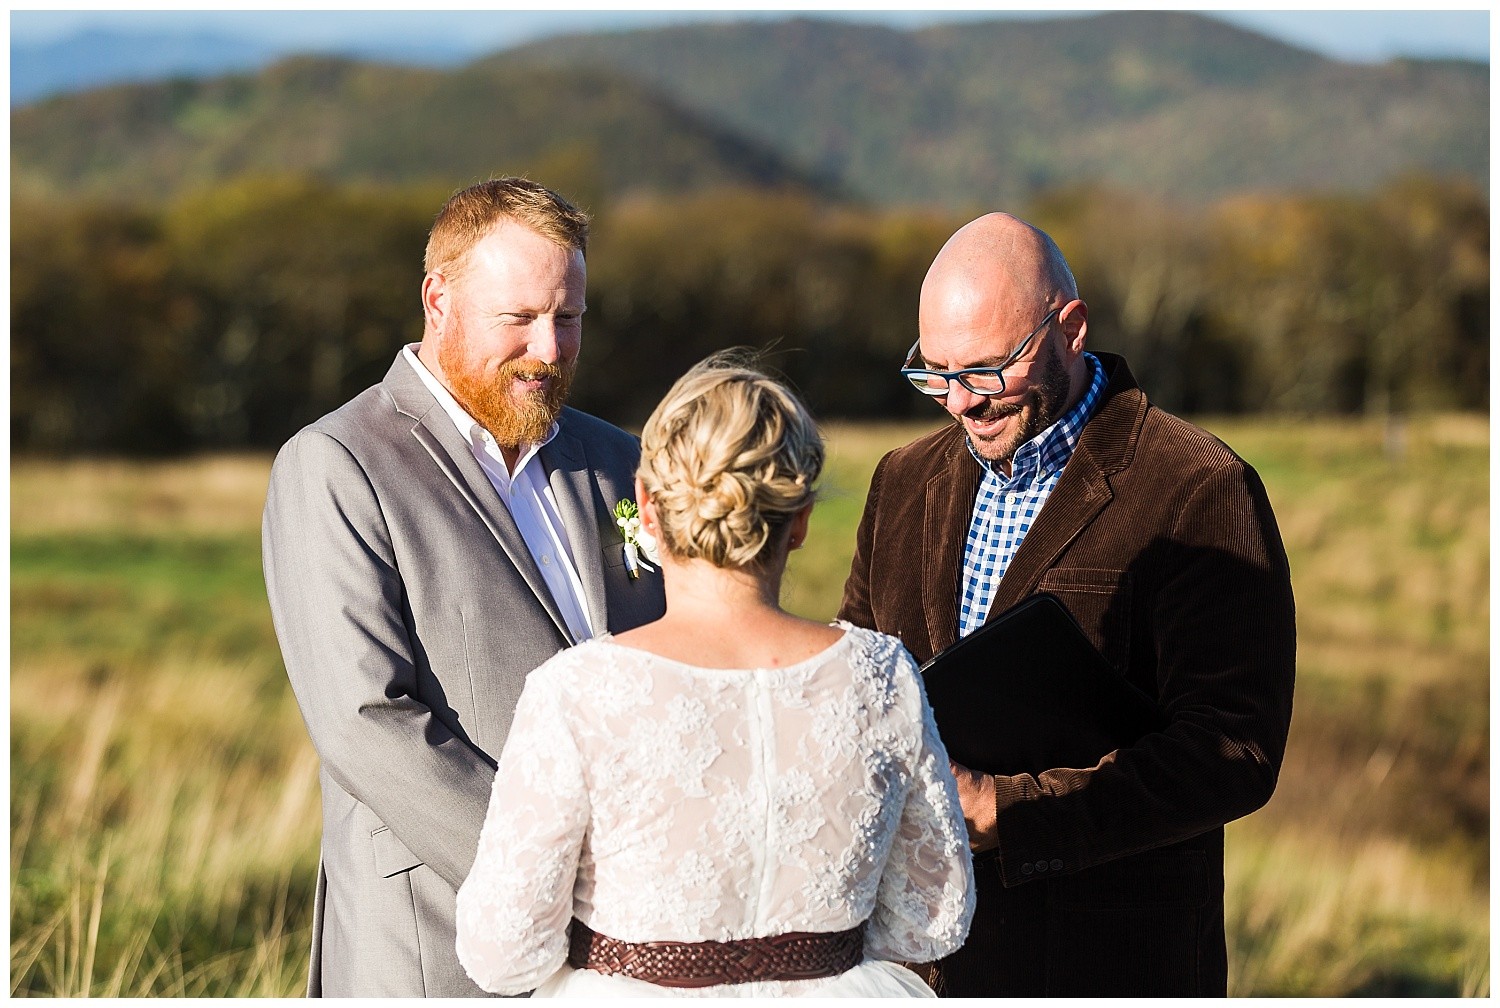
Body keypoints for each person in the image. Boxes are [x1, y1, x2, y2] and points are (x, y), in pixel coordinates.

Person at [838, 212, 1296, 996]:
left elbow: (1235, 752)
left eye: (984, 370)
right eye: (934, 373)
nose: (958, 403)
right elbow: (858, 677)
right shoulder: (901, 479)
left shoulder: (1198, 486)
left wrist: (1003, 811)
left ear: (1072, 327)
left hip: (1106, 963)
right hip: (915, 966)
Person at [453, 352, 976, 997]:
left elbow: (503, 951)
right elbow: (934, 918)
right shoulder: (881, 676)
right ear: (802, 519)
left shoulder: (578, 693)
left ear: (646, 504)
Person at [262, 177, 666, 997]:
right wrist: (571, 876)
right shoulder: (338, 464)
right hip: (435, 940)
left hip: (635, 947)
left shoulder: (623, 459)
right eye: (519, 318)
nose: (550, 349)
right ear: (437, 299)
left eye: (569, 317)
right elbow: (365, 720)